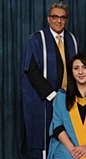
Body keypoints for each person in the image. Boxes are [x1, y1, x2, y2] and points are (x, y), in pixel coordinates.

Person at [21, 1, 81, 158]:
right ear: (48, 18)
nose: (59, 21)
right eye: (55, 17)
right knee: (43, 138)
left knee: (68, 139)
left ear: (66, 19)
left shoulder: (73, 40)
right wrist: (52, 95)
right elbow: (32, 71)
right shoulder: (36, 39)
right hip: (43, 100)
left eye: (62, 17)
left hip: (68, 99)